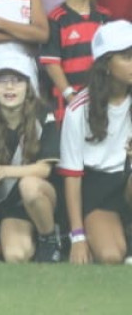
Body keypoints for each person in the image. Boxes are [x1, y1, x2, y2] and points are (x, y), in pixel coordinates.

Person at [0, 44, 60, 263]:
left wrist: (5, 171)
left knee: (29, 185)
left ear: (28, 86)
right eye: (2, 80)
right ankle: (32, 235)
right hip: (10, 205)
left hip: (42, 196)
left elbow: (44, 168)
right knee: (15, 256)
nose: (9, 87)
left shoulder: (43, 115)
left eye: (17, 80)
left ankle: (50, 238)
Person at [59, 20, 132, 265]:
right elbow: (72, 175)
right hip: (97, 188)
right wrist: (77, 236)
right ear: (106, 64)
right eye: (126, 57)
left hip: (128, 179)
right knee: (110, 256)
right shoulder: (79, 108)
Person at [42, 0, 103, 111]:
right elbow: (51, 63)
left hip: (102, 99)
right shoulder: (56, 19)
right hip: (70, 102)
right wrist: (69, 94)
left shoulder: (104, 17)